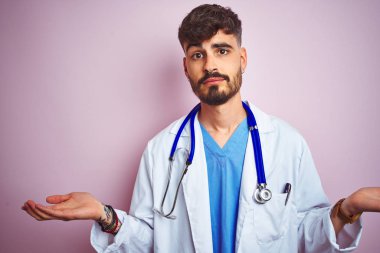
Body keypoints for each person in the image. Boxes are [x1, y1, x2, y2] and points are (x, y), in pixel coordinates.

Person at [22, 4, 380, 253]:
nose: (210, 64)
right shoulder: (161, 149)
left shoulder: (287, 143)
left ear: (242, 59)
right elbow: (150, 242)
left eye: (221, 50)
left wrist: (349, 207)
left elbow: (305, 238)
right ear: (186, 67)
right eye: (198, 54)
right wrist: (105, 214)